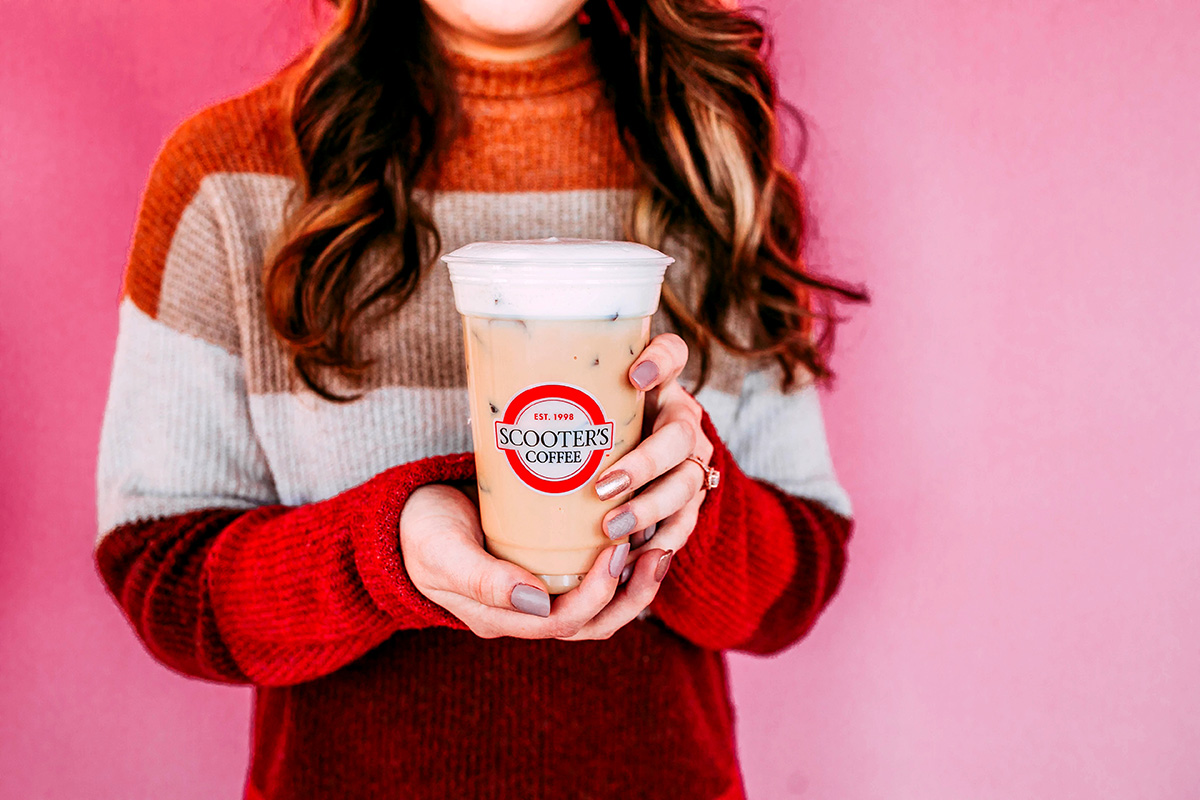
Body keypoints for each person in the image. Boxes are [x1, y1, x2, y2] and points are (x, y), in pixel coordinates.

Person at [95, 0, 865, 797]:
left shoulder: (713, 168)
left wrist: (690, 509)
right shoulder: (229, 177)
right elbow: (162, 576)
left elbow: (800, 583)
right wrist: (382, 558)